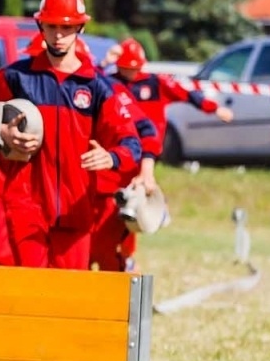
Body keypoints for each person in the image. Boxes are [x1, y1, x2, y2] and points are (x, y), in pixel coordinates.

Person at [0, 0, 141, 269]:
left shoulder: (98, 87)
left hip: (76, 210)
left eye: (67, 28)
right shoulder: (15, 77)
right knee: (30, 291)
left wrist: (111, 157)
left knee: (66, 301)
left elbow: (131, 144)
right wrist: (2, 133)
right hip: (26, 206)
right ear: (41, 27)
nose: (58, 35)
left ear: (80, 29)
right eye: (51, 27)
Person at [91, 38, 235, 270]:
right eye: (125, 67)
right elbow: (88, 81)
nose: (131, 72)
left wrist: (215, 109)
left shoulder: (157, 83)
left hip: (147, 151)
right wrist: (104, 61)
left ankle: (153, 211)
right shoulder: (111, 84)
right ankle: (125, 250)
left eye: (134, 67)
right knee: (121, 208)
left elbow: (189, 95)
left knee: (135, 197)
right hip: (122, 152)